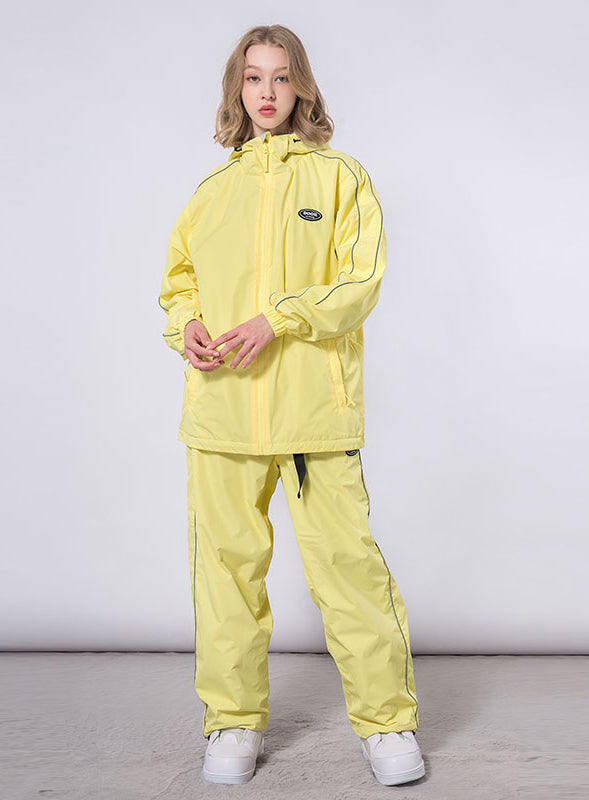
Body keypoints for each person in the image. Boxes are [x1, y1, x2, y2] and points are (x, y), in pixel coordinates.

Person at [158, 24, 425, 787]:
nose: (267, 92)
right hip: (220, 413)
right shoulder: (209, 194)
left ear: (301, 86)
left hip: (313, 415)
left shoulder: (341, 179)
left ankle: (387, 723)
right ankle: (233, 722)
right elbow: (179, 285)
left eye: (281, 77)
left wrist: (276, 319)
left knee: (347, 570)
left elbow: (359, 284)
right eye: (253, 78)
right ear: (236, 90)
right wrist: (188, 327)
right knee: (225, 576)